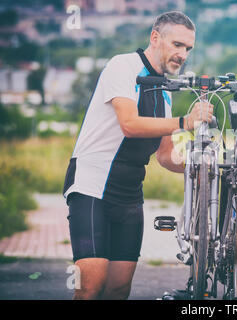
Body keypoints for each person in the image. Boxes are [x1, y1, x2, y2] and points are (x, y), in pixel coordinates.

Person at [62, 11, 213, 300]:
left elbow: (166, 155)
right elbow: (129, 125)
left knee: (118, 289)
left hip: (130, 194)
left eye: (188, 49)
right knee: (91, 284)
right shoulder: (123, 66)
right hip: (92, 186)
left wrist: (205, 166)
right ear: (155, 38)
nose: (183, 54)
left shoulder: (165, 92)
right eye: (177, 45)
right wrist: (185, 122)